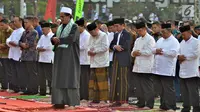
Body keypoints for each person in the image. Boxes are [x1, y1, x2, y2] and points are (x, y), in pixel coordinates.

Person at [51, 7, 80, 109]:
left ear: (69, 16)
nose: (61, 18)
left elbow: (71, 39)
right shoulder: (60, 27)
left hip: (70, 56)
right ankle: (59, 101)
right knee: (58, 78)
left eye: (63, 16)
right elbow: (54, 37)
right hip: (59, 56)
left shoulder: (74, 27)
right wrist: (53, 39)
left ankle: (72, 102)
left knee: (69, 78)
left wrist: (58, 40)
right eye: (61, 17)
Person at [152, 23, 180, 111]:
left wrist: (162, 51)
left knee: (168, 89)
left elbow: (174, 53)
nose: (162, 34)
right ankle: (163, 105)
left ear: (169, 31)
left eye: (164, 32)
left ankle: (171, 106)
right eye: (162, 32)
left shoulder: (174, 41)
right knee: (161, 89)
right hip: (158, 68)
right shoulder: (160, 40)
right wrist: (156, 50)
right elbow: (152, 50)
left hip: (167, 69)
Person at [131, 21, 155, 109]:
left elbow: (150, 52)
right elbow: (132, 52)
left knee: (147, 86)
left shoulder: (150, 39)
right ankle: (140, 102)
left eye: (140, 30)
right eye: (138, 31)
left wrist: (139, 52)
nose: (139, 32)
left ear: (145, 29)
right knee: (138, 86)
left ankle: (149, 104)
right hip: (137, 65)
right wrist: (134, 53)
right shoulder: (137, 39)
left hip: (146, 66)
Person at [110, 18, 131, 107]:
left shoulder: (127, 34)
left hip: (123, 59)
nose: (116, 27)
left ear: (123, 26)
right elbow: (111, 45)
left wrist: (119, 47)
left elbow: (127, 45)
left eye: (117, 26)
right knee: (115, 79)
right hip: (115, 59)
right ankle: (116, 100)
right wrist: (115, 46)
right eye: (115, 26)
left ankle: (124, 100)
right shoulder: (115, 35)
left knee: (123, 80)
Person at [178, 25, 200, 112]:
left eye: (184, 34)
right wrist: (178, 57)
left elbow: (195, 54)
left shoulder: (196, 42)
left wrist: (184, 57)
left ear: (190, 33)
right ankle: (186, 107)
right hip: (183, 70)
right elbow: (178, 53)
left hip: (192, 71)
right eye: (182, 35)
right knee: (184, 92)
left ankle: (196, 108)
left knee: (193, 92)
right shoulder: (181, 43)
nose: (183, 36)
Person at [87, 22, 109, 103]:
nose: (92, 34)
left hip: (101, 62)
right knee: (94, 81)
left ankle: (103, 99)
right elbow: (88, 45)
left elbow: (105, 47)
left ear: (96, 29)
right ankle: (95, 99)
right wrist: (89, 51)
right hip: (93, 62)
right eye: (90, 33)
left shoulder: (103, 35)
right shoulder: (90, 36)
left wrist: (95, 51)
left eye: (92, 32)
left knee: (102, 82)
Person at [19, 17, 38, 95]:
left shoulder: (34, 32)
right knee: (26, 73)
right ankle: (28, 89)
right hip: (24, 55)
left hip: (31, 55)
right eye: (24, 22)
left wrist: (23, 45)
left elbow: (30, 44)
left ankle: (34, 89)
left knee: (32, 73)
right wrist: (22, 44)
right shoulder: (24, 32)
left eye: (26, 22)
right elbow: (19, 41)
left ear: (31, 23)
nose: (25, 24)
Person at [6, 16, 25, 93]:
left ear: (20, 22)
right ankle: (14, 87)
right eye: (13, 21)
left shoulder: (22, 31)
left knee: (19, 72)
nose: (14, 23)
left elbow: (18, 42)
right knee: (13, 72)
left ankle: (20, 87)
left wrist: (12, 43)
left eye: (15, 21)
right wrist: (10, 43)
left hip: (18, 54)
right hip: (12, 54)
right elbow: (8, 40)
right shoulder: (14, 31)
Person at [37, 22, 54, 96]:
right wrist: (39, 48)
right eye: (42, 30)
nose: (43, 31)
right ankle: (42, 92)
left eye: (44, 30)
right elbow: (37, 46)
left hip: (49, 59)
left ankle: (51, 91)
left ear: (48, 29)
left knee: (50, 77)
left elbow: (50, 47)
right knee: (41, 76)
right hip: (41, 59)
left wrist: (42, 48)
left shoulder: (52, 36)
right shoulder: (42, 37)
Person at [75, 18, 90, 101]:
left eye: (77, 27)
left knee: (85, 80)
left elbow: (84, 47)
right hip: (79, 60)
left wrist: (74, 47)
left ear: (81, 27)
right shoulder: (79, 35)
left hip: (85, 61)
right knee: (79, 79)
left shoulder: (86, 35)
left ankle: (85, 96)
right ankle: (80, 95)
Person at [0, 18, 13, 91]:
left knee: (8, 71)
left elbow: (9, 43)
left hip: (8, 54)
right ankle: (4, 86)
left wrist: (2, 45)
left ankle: (10, 86)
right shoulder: (1, 31)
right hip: (1, 53)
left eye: (2, 25)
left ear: (7, 24)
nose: (1, 27)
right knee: (2, 71)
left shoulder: (11, 31)